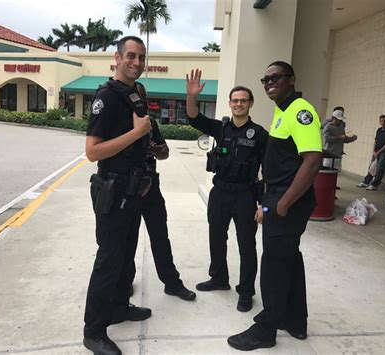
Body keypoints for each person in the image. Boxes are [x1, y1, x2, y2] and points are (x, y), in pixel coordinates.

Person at [227, 61, 322, 351]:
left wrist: (283, 203)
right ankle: (294, 321)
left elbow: (313, 160)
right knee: (288, 260)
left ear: (291, 79)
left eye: (275, 77)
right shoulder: (282, 111)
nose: (269, 82)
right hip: (278, 198)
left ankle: (265, 331)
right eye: (265, 78)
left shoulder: (300, 111)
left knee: (273, 266)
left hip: (287, 201)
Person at [83, 36, 153, 355]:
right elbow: (92, 152)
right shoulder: (107, 97)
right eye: (131, 56)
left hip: (133, 190)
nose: (137, 63)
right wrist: (137, 134)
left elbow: (135, 144)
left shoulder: (135, 95)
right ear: (117, 57)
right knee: (109, 260)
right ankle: (94, 330)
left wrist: (148, 149)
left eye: (141, 57)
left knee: (126, 256)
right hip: (112, 193)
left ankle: (119, 307)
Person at [186, 69, 268, 312]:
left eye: (243, 100)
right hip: (220, 192)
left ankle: (246, 292)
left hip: (245, 195)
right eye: (235, 100)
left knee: (246, 245)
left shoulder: (260, 135)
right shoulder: (221, 128)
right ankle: (219, 279)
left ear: (250, 103)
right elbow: (194, 118)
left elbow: (268, 172)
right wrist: (191, 96)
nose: (239, 104)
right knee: (216, 237)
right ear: (229, 104)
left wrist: (263, 204)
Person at [132, 114, 196, 301]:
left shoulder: (149, 122)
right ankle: (125, 281)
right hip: (128, 189)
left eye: (143, 98)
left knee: (160, 236)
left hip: (151, 186)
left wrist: (155, 149)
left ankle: (172, 283)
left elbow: (165, 152)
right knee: (127, 240)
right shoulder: (119, 117)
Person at [356, 114, 385, 190]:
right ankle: (366, 182)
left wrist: (379, 152)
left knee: (380, 168)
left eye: (384, 121)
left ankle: (374, 185)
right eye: (381, 121)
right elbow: (376, 141)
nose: (383, 122)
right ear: (379, 122)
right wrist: (374, 151)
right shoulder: (379, 130)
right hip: (376, 151)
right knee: (371, 167)